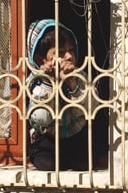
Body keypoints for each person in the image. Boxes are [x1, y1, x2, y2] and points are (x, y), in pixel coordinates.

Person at [26, 19, 89, 170]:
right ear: (40, 59)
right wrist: (49, 82)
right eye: (60, 52)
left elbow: (88, 111)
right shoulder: (35, 81)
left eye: (71, 50)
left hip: (76, 135)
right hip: (48, 138)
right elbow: (42, 118)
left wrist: (72, 83)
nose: (68, 56)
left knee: (84, 163)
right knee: (48, 164)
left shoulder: (81, 77)